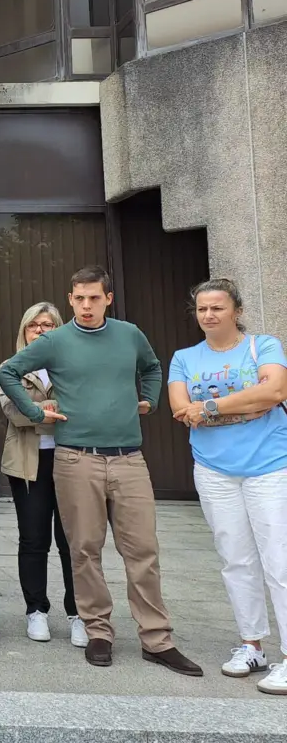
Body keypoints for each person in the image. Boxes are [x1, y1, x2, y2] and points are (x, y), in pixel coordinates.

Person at [0, 265, 201, 676]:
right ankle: (98, 631)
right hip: (76, 458)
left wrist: (150, 399)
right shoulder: (55, 340)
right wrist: (37, 411)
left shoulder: (129, 334)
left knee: (142, 550)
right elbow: (8, 372)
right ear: (70, 299)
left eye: (94, 297)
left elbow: (153, 367)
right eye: (78, 298)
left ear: (109, 298)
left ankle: (157, 639)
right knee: (84, 550)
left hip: (129, 458)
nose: (86, 305)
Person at [167, 278, 287, 694]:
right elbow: (181, 408)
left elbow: (275, 389)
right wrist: (248, 401)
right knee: (236, 559)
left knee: (279, 560)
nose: (209, 315)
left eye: (217, 307)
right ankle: (251, 645)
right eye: (202, 309)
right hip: (214, 470)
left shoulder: (264, 346)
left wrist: (212, 406)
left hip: (270, 466)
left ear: (236, 310)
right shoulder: (185, 357)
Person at [0, 302, 84, 647]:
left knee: (72, 540)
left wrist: (35, 408)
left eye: (49, 324)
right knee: (34, 538)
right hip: (27, 465)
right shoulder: (11, 368)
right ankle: (36, 609)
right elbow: (13, 413)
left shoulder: (74, 364)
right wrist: (48, 410)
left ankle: (78, 612)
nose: (41, 330)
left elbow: (82, 409)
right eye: (34, 325)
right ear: (24, 331)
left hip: (71, 460)